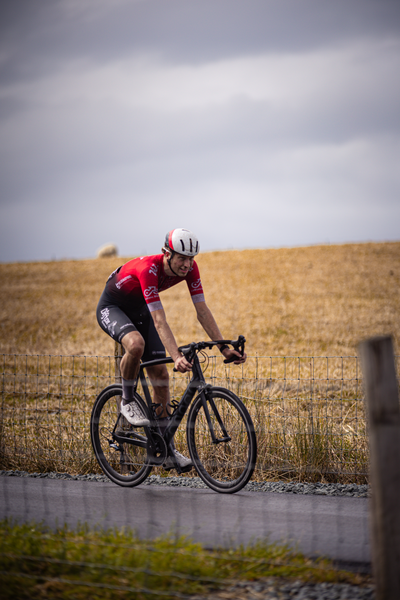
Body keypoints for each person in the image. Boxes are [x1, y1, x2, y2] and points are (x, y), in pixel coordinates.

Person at [96, 228, 246, 471]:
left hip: (140, 310)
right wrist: (175, 356)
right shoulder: (148, 269)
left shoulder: (191, 269)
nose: (187, 264)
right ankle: (126, 400)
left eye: (191, 259)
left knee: (161, 378)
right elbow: (160, 320)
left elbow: (202, 311)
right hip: (113, 307)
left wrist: (224, 348)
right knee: (135, 345)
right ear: (167, 254)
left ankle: (165, 449)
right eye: (182, 258)